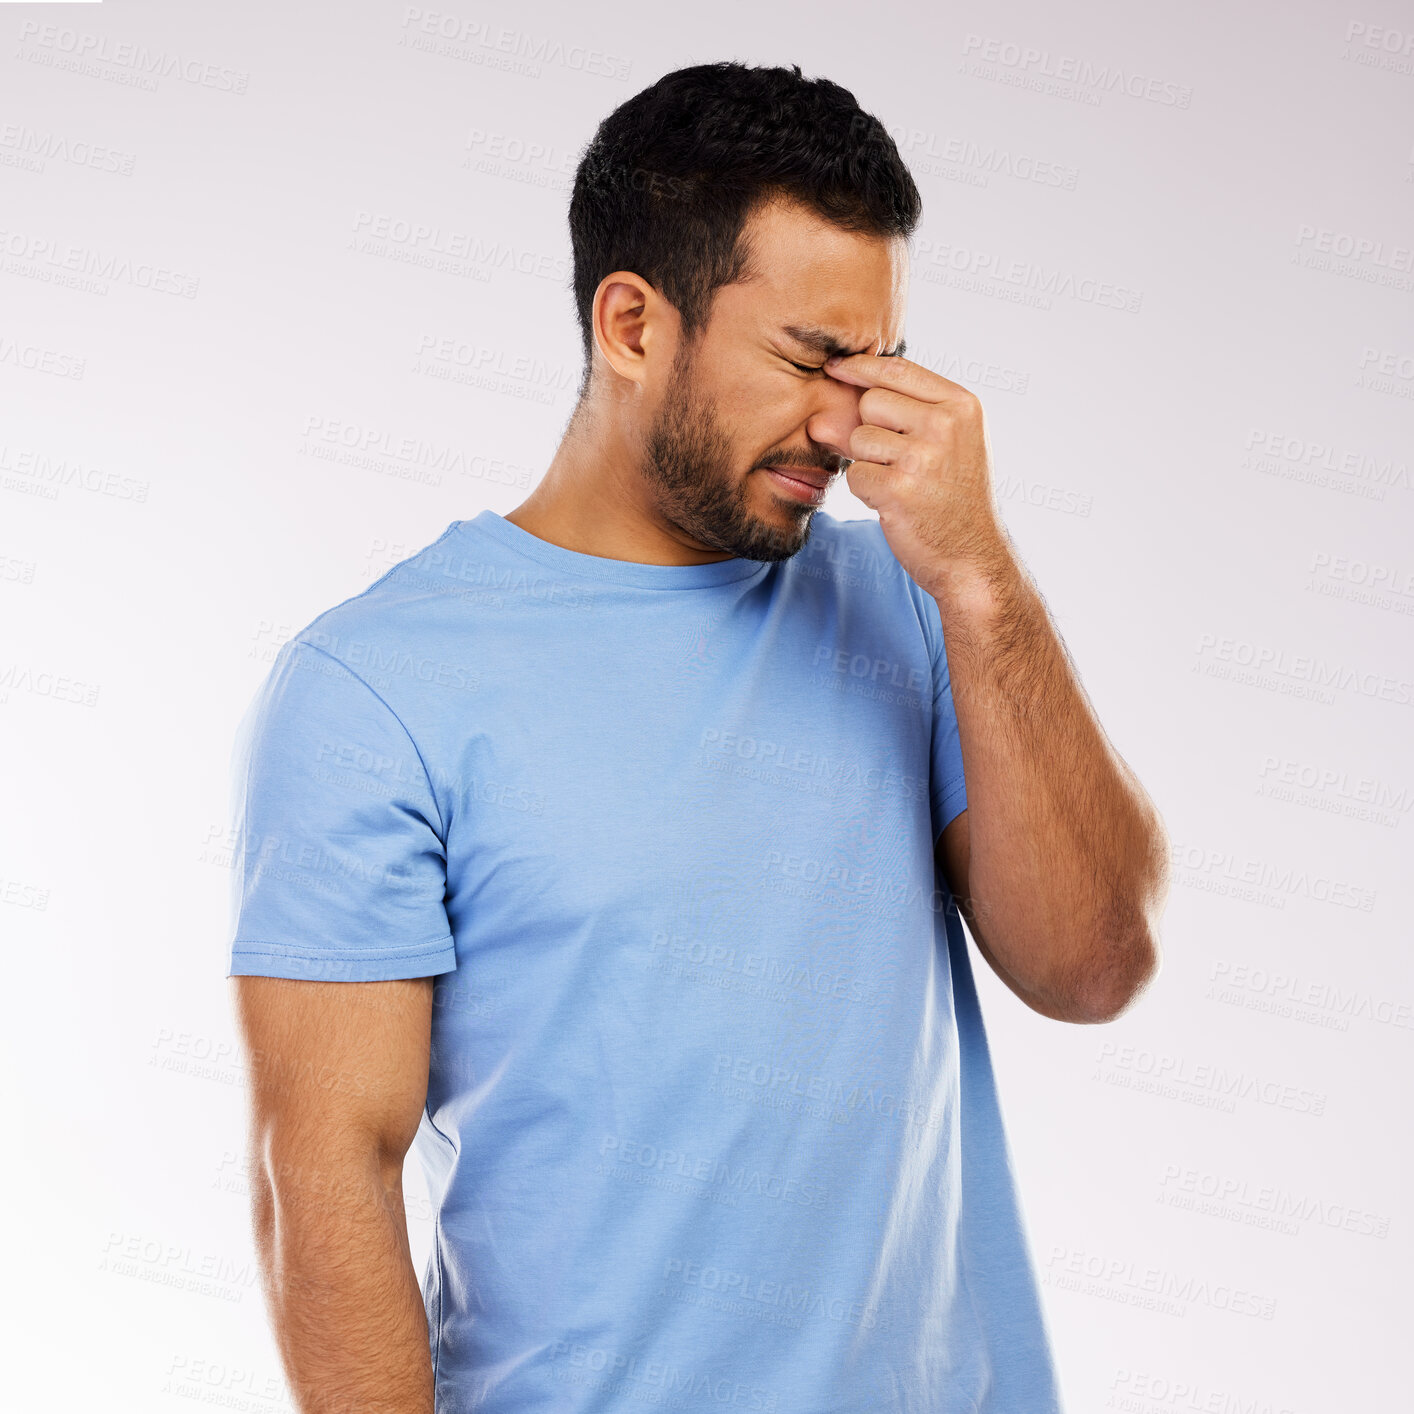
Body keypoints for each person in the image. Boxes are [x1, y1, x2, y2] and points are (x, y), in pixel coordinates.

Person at [227, 60, 1170, 1414]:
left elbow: (1090, 965)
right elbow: (324, 1170)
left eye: (878, 365)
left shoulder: (913, 602)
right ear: (630, 324)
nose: (847, 422)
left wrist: (980, 580)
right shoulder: (373, 687)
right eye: (807, 360)